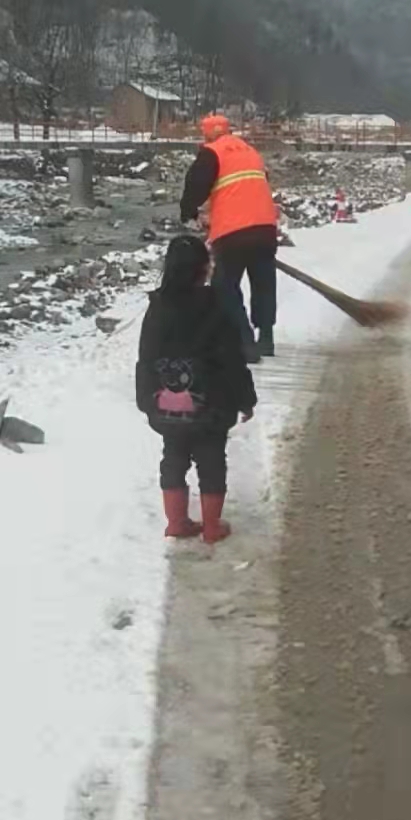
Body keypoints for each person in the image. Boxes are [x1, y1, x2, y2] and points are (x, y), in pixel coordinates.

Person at [136, 234, 257, 545]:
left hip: (166, 407)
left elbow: (146, 358)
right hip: (212, 407)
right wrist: (245, 399)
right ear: (205, 269)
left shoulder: (157, 307)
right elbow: (233, 359)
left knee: (173, 458)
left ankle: (176, 523)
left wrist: (145, 399)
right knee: (212, 461)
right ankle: (212, 528)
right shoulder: (216, 305)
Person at [179, 114, 279, 363]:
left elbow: (195, 185)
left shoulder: (211, 153)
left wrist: (188, 212)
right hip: (266, 227)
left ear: (207, 133)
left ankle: (244, 341)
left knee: (224, 286)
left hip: (233, 231)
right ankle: (266, 337)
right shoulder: (250, 151)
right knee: (263, 281)